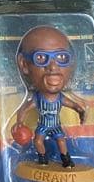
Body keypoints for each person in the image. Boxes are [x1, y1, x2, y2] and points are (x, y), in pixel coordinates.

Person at [13, 25, 86, 168]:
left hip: (56, 125)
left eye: (61, 57)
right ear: (24, 64)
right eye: (41, 57)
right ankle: (42, 158)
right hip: (43, 126)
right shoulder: (38, 98)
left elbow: (73, 105)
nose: (53, 67)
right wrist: (19, 123)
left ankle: (66, 159)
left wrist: (81, 111)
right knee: (37, 141)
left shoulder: (60, 98)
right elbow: (24, 109)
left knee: (61, 141)